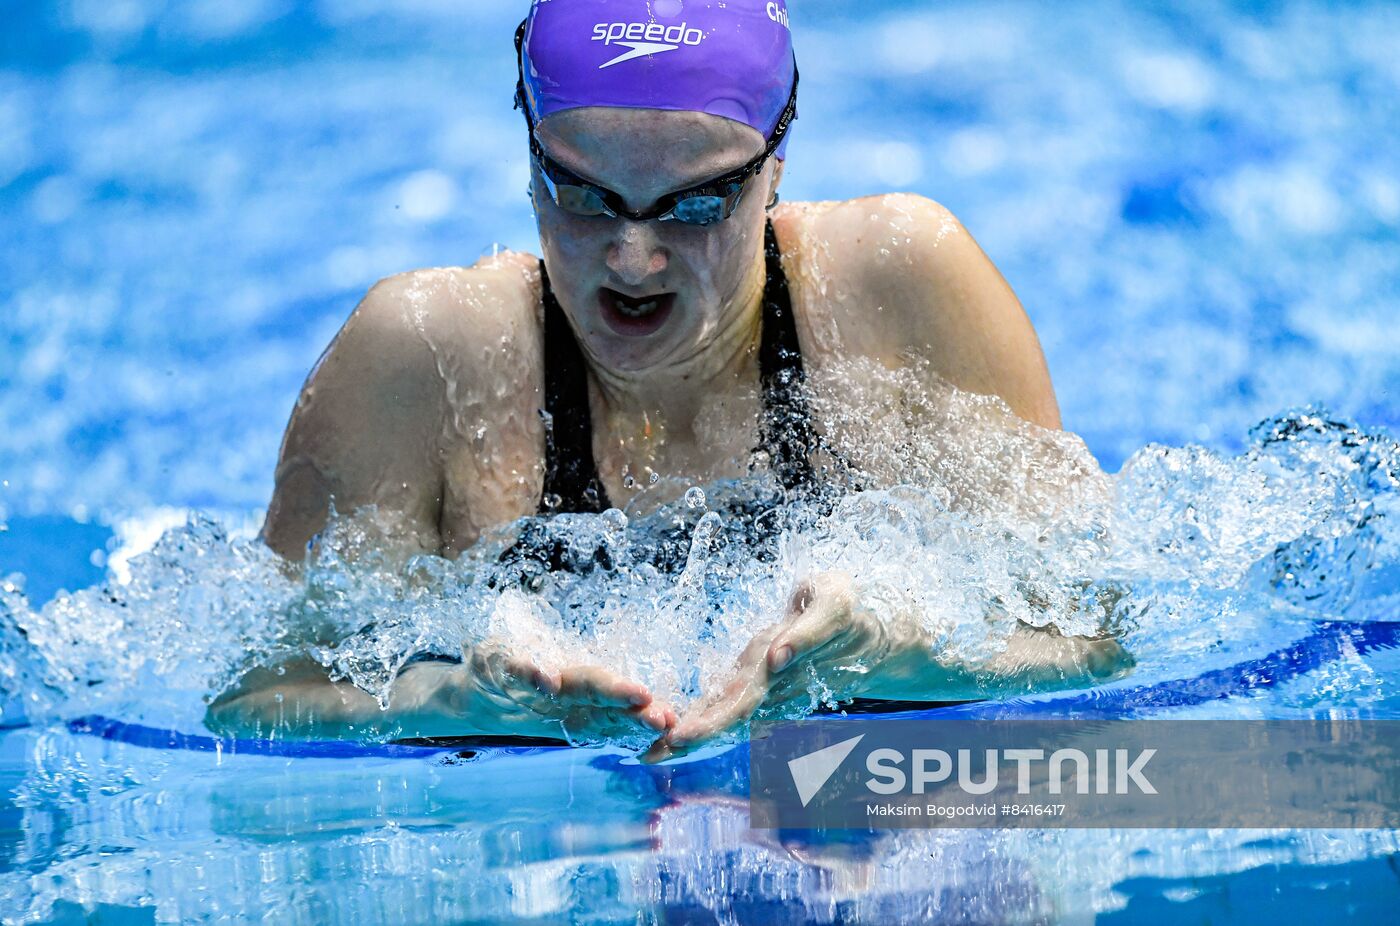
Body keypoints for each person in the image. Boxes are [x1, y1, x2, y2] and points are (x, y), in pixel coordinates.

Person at [208, 0, 1129, 760]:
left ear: (776, 163)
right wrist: (458, 695)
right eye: (582, 195)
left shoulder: (901, 288)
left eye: (695, 204)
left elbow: (1101, 638)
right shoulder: (422, 360)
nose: (634, 258)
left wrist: (905, 650)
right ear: (529, 158)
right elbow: (250, 705)